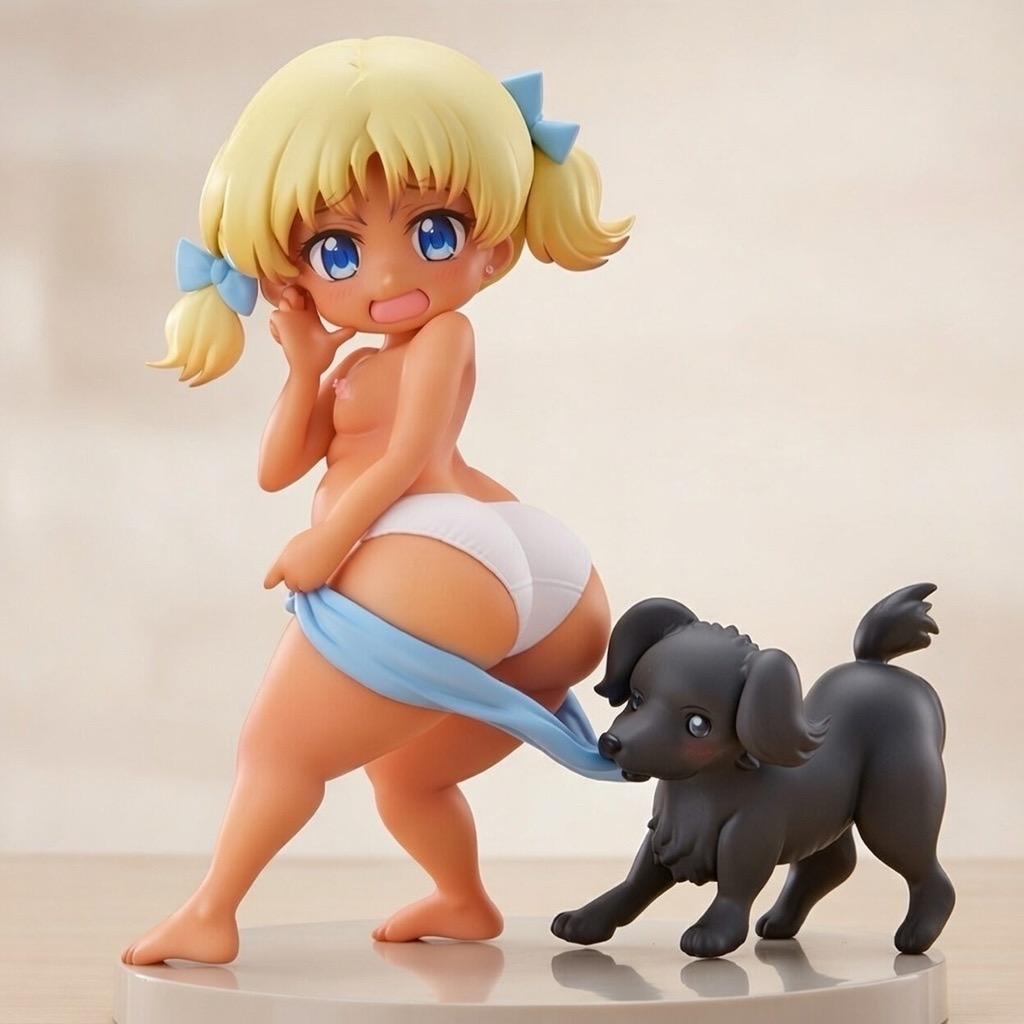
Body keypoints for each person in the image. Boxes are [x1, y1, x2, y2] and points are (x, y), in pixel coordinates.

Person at [122, 36, 631, 966]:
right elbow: (279, 468)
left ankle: (211, 913)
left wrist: (328, 546)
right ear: (295, 268)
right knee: (406, 774)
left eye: (432, 232)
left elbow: (409, 458)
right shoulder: (355, 363)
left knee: (277, 751)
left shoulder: (443, 337)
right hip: (527, 572)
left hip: (436, 547)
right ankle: (463, 899)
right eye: (340, 248)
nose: (389, 277)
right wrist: (305, 368)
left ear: (491, 249)